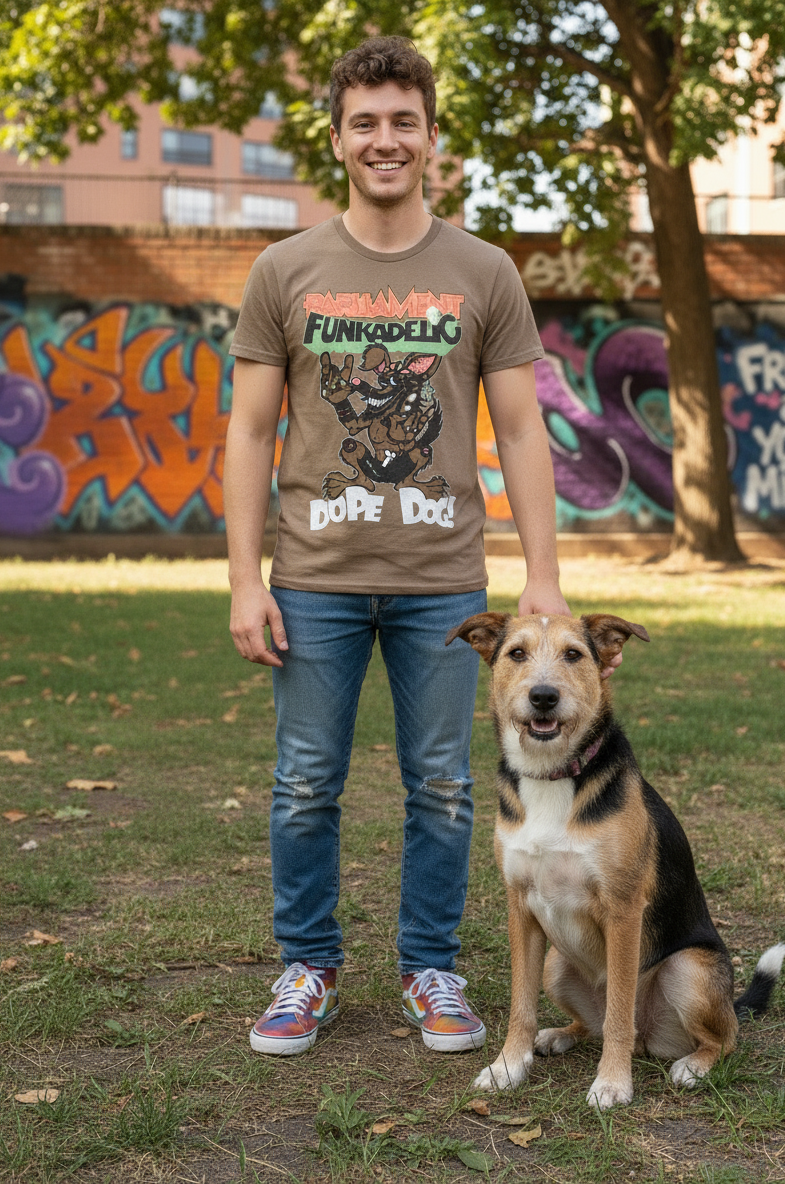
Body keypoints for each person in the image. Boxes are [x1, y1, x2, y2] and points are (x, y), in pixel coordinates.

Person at [224, 35, 617, 1058]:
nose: (385, 139)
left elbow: (521, 429)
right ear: (337, 138)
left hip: (445, 583)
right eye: (365, 122)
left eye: (404, 121)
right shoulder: (284, 269)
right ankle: (308, 965)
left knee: (442, 783)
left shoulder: (484, 270)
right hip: (313, 579)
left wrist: (542, 576)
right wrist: (243, 579)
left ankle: (430, 965)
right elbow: (251, 431)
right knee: (304, 782)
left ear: (432, 136)